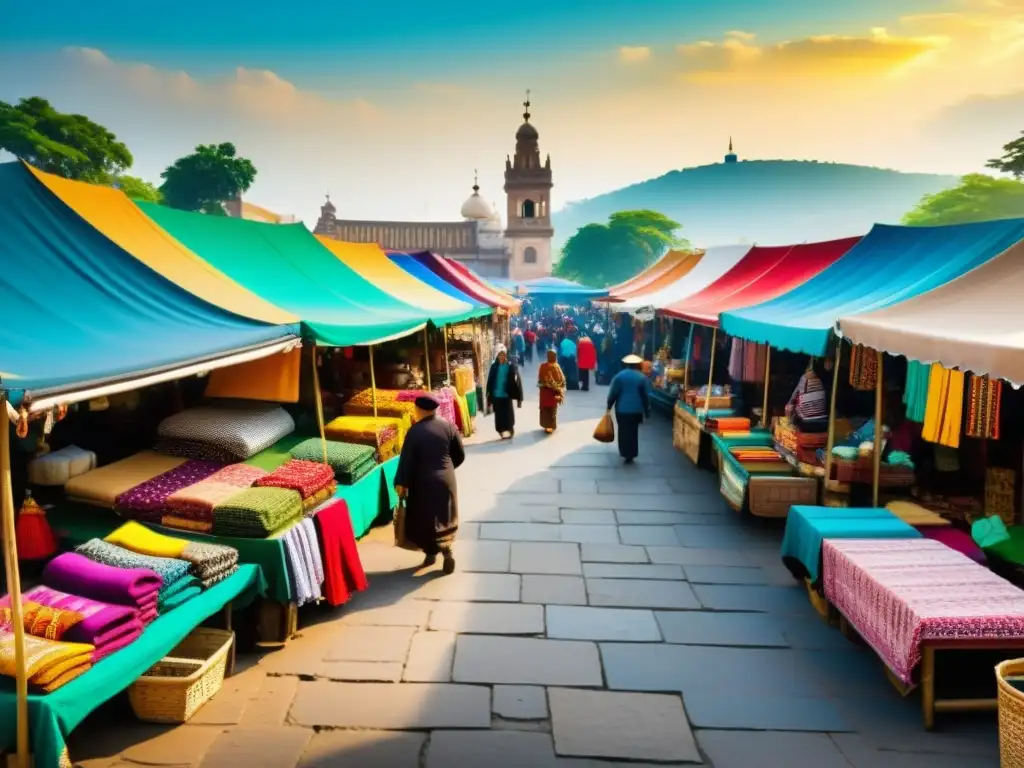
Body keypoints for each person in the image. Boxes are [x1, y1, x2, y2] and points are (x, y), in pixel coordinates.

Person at [394, 394, 465, 573]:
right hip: (446, 480)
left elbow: (406, 462)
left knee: (425, 519)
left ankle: (430, 553)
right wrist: (447, 469)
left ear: (420, 410)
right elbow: (459, 454)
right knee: (445, 517)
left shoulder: (415, 431)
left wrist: (401, 483)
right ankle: (447, 551)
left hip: (423, 483)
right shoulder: (449, 426)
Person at [607, 354, 651, 464]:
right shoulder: (642, 377)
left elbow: (613, 394)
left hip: (622, 409)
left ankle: (625, 452)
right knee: (633, 431)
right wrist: (647, 410)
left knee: (623, 431)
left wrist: (609, 406)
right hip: (636, 410)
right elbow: (645, 395)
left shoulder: (619, 376)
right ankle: (632, 453)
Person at [486, 344, 523, 439]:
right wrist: (489, 397)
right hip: (497, 395)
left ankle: (510, 429)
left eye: (503, 355)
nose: (501, 357)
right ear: (497, 356)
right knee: (499, 415)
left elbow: (517, 382)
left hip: (507, 394)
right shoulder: (494, 367)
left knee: (508, 414)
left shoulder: (511, 366)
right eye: (500, 355)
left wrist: (519, 399)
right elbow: (490, 382)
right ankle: (501, 431)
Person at [537, 349, 566, 433]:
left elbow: (540, 379)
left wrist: (544, 384)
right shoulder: (556, 367)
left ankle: (546, 426)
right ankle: (551, 426)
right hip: (553, 393)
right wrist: (559, 389)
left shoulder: (543, 366)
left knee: (545, 410)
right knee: (552, 410)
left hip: (544, 393)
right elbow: (561, 380)